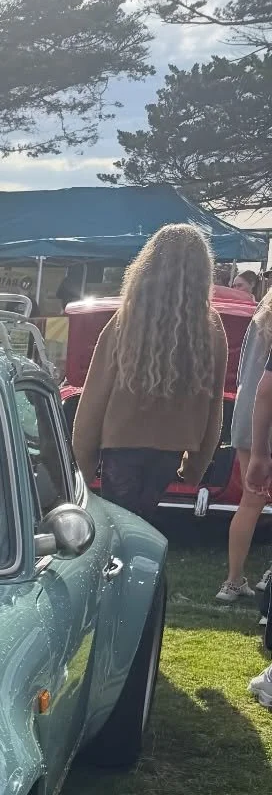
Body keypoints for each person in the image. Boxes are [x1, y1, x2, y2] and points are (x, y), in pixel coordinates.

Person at [70, 222, 226, 523]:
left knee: (121, 523)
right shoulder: (209, 327)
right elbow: (213, 402)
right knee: (141, 520)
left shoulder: (127, 319)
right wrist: (196, 465)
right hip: (172, 447)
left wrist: (81, 467)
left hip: (121, 444)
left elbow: (94, 396)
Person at [223, 288, 272, 608]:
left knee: (250, 500)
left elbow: (243, 373)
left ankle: (233, 579)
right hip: (264, 407)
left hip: (246, 413)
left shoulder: (259, 317)